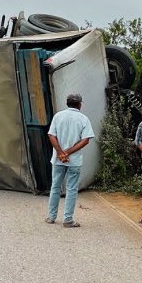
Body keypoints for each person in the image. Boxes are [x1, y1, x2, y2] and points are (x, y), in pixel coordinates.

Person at [45, 93, 95, 228]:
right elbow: (86, 140)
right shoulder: (83, 119)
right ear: (80, 104)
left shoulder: (58, 116)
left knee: (55, 186)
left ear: (67, 103)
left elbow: (51, 135)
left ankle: (51, 216)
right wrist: (68, 152)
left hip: (58, 159)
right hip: (74, 161)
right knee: (71, 189)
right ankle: (68, 220)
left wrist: (61, 153)